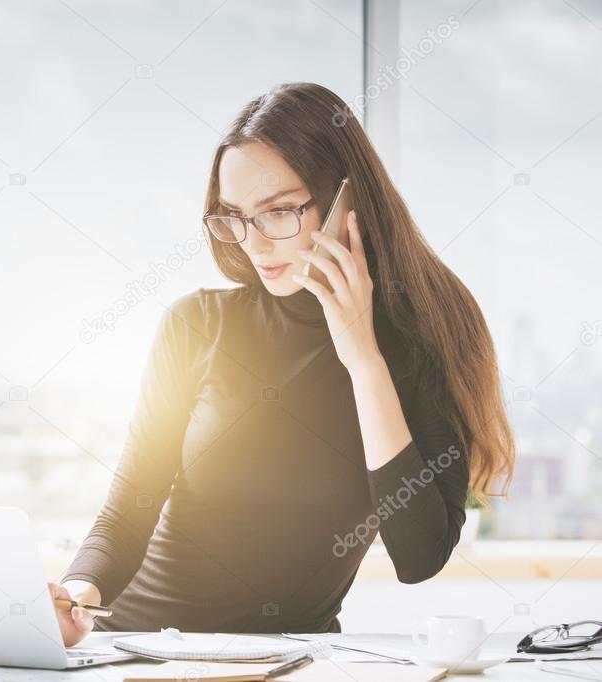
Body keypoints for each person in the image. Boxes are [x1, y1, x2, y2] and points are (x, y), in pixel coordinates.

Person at [49, 82, 515, 646]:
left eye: (277, 212)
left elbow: (419, 556)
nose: (254, 242)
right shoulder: (197, 325)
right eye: (234, 217)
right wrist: (76, 594)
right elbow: (127, 515)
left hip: (289, 661)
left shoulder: (423, 342)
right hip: (141, 647)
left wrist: (363, 358)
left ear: (347, 202)